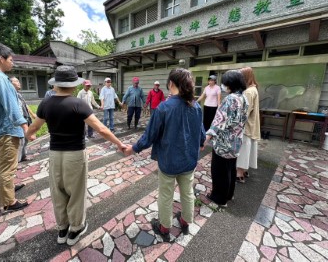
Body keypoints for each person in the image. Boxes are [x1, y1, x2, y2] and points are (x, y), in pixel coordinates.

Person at [26, 66, 127, 246]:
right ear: (73, 85)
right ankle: (75, 229)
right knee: (76, 192)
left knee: (58, 191)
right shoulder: (78, 104)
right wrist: (119, 144)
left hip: (55, 154)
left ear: (56, 84)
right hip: (75, 154)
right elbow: (101, 129)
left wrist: (28, 136)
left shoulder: (45, 104)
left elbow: (33, 128)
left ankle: (62, 228)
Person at [124, 68, 205, 242]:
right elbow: (201, 135)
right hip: (189, 160)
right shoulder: (196, 106)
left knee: (166, 195)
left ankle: (164, 227)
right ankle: (185, 221)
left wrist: (133, 148)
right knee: (187, 193)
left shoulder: (164, 108)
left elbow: (149, 136)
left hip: (168, 161)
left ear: (170, 84)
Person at [0, 43, 29, 212]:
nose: (12, 63)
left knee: (4, 165)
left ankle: (7, 190)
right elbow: (11, 106)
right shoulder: (0, 79)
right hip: (7, 130)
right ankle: (9, 202)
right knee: (7, 167)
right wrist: (25, 127)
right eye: (10, 59)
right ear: (1, 59)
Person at [204, 70, 248, 207]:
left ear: (230, 84)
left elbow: (218, 121)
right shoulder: (243, 98)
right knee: (230, 168)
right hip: (236, 141)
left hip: (224, 142)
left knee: (219, 171)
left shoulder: (229, 99)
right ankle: (229, 194)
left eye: (224, 83)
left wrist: (206, 138)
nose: (223, 85)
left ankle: (219, 198)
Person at [236, 67, 260, 183]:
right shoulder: (253, 89)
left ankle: (239, 173)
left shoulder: (249, 92)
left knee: (244, 149)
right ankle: (244, 170)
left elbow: (245, 111)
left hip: (246, 125)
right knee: (248, 148)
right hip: (251, 124)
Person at [10, 76, 37, 162]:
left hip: (26, 118)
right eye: (16, 81)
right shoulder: (11, 95)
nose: (19, 83)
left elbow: (25, 105)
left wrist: (32, 114)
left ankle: (23, 156)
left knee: (25, 139)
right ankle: (16, 162)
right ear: (11, 84)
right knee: (20, 141)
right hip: (19, 120)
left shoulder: (18, 94)